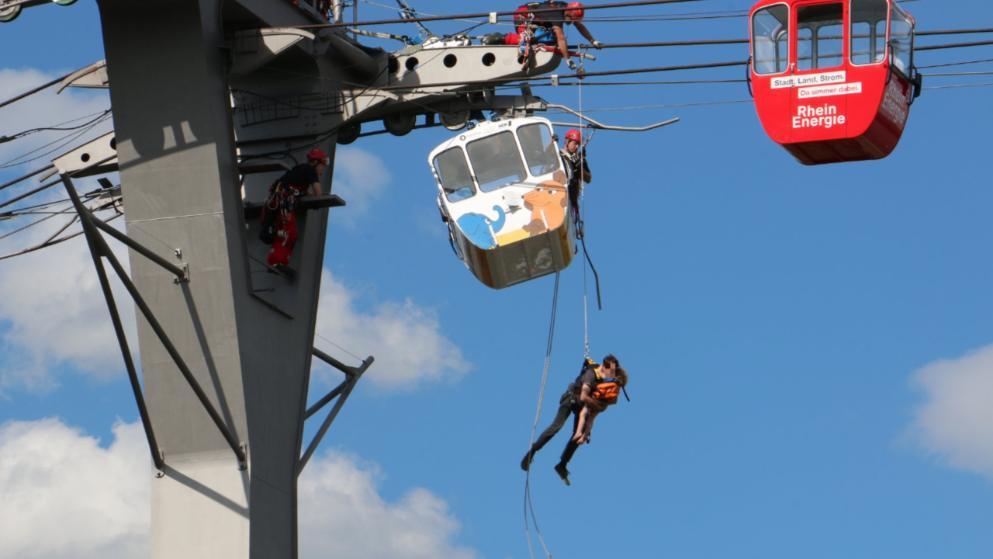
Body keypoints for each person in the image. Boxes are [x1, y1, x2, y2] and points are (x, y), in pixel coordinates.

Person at [520, 354, 621, 485]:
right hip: (571, 399)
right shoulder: (591, 375)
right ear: (605, 367)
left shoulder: (603, 380)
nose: (612, 374)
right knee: (556, 427)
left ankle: (562, 464)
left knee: (578, 437)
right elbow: (584, 396)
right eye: (612, 371)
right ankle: (532, 452)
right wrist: (597, 405)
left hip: (582, 406)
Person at [263, 148, 327, 278]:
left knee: (287, 233)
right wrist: (319, 198)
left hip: (278, 202)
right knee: (288, 232)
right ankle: (276, 262)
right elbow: (317, 192)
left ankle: (279, 261)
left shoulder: (300, 171)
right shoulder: (310, 171)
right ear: (315, 163)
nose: (323, 169)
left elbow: (302, 191)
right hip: (284, 204)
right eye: (322, 165)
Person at [507, 2, 602, 70]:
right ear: (568, 13)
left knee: (552, 40)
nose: (571, 22)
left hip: (537, 18)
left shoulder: (566, 8)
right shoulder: (557, 16)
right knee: (526, 38)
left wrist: (593, 41)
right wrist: (567, 59)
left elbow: (579, 26)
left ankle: (535, 42)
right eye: (571, 19)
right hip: (522, 14)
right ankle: (514, 43)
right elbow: (561, 38)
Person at [571, 365, 627, 445]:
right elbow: (614, 400)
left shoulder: (610, 379)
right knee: (591, 419)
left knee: (583, 413)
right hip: (603, 405)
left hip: (595, 400)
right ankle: (584, 437)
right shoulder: (618, 386)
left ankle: (578, 432)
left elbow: (600, 383)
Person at [559, 128, 591, 232]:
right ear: (567, 142)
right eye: (575, 143)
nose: (577, 146)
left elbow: (588, 178)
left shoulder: (579, 159)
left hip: (570, 198)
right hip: (557, 191)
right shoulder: (558, 154)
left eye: (578, 144)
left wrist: (579, 167)